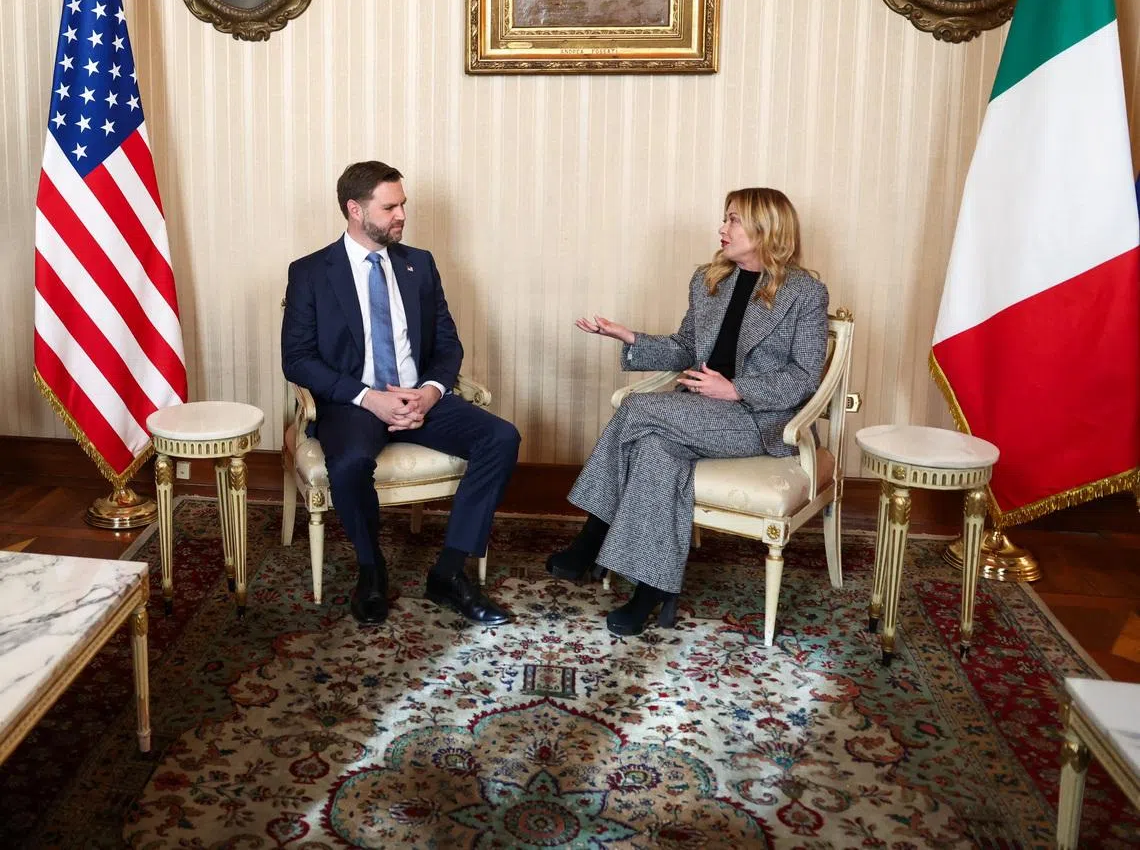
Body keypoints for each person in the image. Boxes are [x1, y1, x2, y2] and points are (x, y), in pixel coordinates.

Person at [547, 188, 829, 637]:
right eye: (726, 218)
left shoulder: (804, 293)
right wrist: (629, 338)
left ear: (765, 229)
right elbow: (684, 349)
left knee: (637, 409)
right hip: (695, 411)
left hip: (755, 418)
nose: (722, 228)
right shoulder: (709, 280)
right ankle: (651, 588)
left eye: (733, 220)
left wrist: (735, 388)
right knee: (657, 451)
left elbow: (803, 377)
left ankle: (592, 537)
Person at [282, 161, 520, 627]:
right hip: (355, 403)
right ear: (355, 210)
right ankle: (371, 572)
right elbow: (298, 359)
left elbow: (448, 343)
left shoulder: (420, 264)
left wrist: (430, 393)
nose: (402, 216)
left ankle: (450, 573)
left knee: (502, 438)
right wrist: (369, 398)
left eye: (402, 205)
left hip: (420, 397)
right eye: (389, 207)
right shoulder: (310, 272)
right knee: (349, 463)